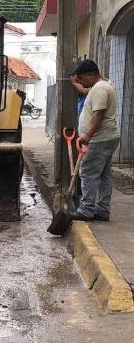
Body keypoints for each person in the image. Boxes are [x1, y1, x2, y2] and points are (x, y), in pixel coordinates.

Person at [72, 59, 120, 222]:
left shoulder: (100, 89)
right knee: (104, 174)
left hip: (100, 139)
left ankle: (86, 210)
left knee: (88, 172)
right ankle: (102, 210)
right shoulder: (102, 86)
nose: (81, 82)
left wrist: (87, 135)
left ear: (90, 75)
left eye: (82, 78)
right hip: (107, 138)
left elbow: (98, 114)